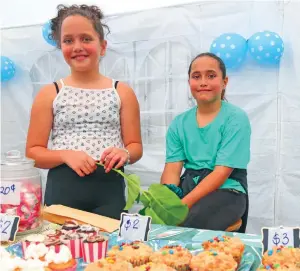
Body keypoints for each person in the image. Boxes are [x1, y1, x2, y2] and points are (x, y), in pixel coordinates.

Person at [26, 4, 142, 219]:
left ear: (103, 46)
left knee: (107, 250)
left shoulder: (122, 92)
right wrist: (65, 154)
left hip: (109, 189)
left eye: (86, 39)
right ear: (61, 47)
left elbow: (135, 147)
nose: (77, 46)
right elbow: (33, 153)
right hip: (63, 189)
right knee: (60, 251)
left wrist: (124, 153)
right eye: (68, 40)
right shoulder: (50, 93)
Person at [161, 52, 251, 232]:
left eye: (211, 76)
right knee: (156, 220)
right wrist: (168, 197)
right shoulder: (179, 123)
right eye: (196, 76)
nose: (203, 82)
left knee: (190, 224)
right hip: (189, 187)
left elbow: (221, 173)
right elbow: (172, 168)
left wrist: (182, 205)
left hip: (226, 190)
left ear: (224, 82)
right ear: (189, 83)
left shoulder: (235, 119)